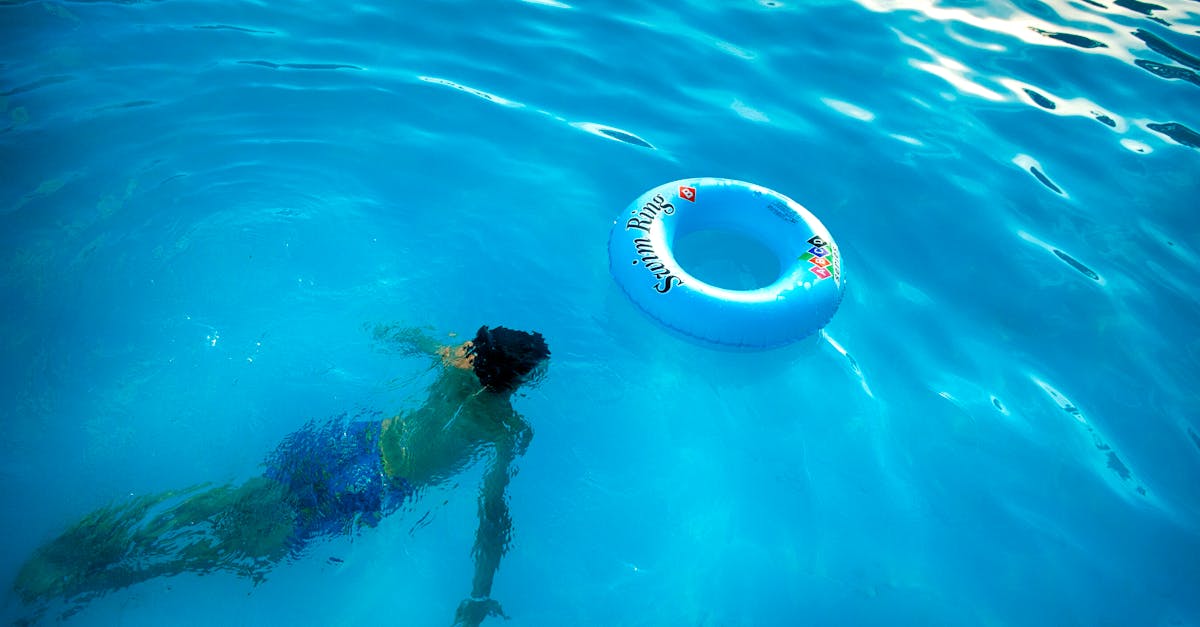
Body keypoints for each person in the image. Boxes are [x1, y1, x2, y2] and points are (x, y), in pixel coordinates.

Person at [14, 324, 551, 626]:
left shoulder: (456, 359)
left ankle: (92, 544)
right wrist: (478, 596)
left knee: (234, 498)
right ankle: (95, 582)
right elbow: (492, 516)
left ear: (480, 354)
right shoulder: (505, 430)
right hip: (373, 485)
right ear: (520, 380)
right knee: (240, 548)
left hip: (348, 440)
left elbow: (396, 334)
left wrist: (424, 340)